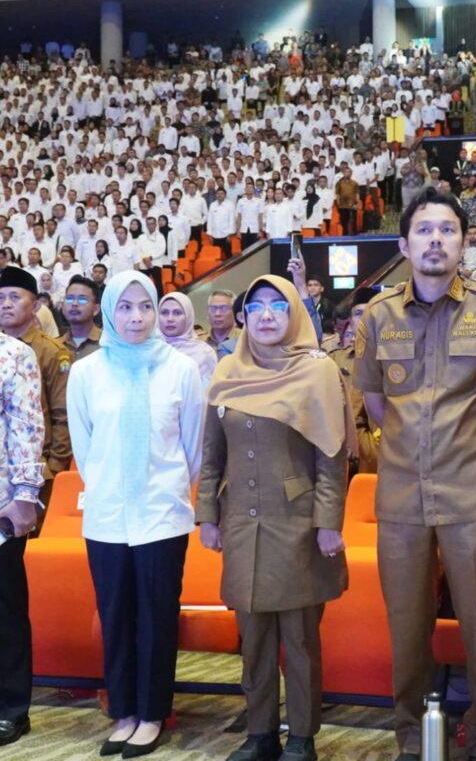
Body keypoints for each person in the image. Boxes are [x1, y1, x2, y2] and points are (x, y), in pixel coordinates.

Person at [354, 189, 476, 761]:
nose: (436, 240)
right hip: (402, 496)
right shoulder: (379, 316)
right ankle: (413, 739)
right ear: (404, 245)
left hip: (472, 493)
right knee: (407, 631)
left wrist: (466, 446)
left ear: (463, 241)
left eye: (447, 230)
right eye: (424, 231)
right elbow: (378, 406)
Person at [196, 274, 354, 761]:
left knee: (300, 639)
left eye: (278, 306)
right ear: (244, 317)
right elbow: (211, 454)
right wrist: (206, 513)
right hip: (241, 523)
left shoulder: (317, 371)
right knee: (253, 638)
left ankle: (302, 736)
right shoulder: (227, 372)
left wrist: (329, 521)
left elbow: (333, 455)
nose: (266, 315)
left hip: (298, 524)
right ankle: (260, 733)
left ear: (295, 315)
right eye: (257, 306)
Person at [67, 271, 204, 758]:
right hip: (106, 516)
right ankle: (122, 712)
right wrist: (110, 486)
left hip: (162, 515)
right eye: (124, 307)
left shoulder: (181, 369)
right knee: (116, 616)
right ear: (109, 311)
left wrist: (161, 487)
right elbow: (84, 449)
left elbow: (193, 447)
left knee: (156, 617)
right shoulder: (86, 372)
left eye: (144, 306)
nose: (136, 317)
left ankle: (151, 714)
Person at [0, 331, 44, 747]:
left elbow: (26, 423)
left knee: (4, 611)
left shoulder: (14, 354)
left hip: (2, 503)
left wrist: (26, 494)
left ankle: (11, 709)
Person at [0, 267, 71, 520]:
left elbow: (63, 415)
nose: (6, 304)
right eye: (0, 298)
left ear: (35, 305)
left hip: (36, 472)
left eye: (15, 297)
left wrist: (52, 469)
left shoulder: (52, 352)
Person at [329, 286, 380, 473]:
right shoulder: (335, 359)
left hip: (382, 452)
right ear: (350, 321)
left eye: (372, 311)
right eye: (358, 313)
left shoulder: (397, 359)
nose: (365, 317)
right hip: (340, 449)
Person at [158, 292, 217, 390]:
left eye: (177, 313)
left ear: (188, 316)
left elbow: (211, 394)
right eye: (164, 312)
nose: (170, 319)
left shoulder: (204, 352)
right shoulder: (151, 350)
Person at [56, 275, 102, 361]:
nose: (74, 304)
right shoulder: (54, 346)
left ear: (96, 309)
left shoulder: (108, 344)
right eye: (69, 299)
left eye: (82, 299)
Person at [205, 289, 240, 360]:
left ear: (234, 311)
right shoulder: (199, 342)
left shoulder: (245, 338)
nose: (217, 313)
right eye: (213, 308)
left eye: (224, 308)